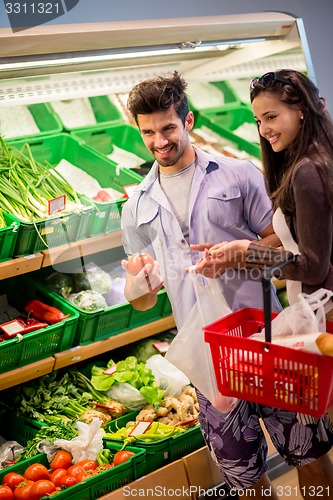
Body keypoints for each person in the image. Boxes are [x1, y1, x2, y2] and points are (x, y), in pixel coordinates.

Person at [119, 70, 330, 499]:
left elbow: (279, 238)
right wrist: (138, 283)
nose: (160, 141)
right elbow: (144, 302)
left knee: (309, 454)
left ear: (188, 121)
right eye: (148, 133)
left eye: (168, 128)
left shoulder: (237, 174)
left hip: (269, 338)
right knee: (243, 476)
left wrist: (242, 252)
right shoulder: (136, 204)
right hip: (207, 359)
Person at [191, 70, 333, 499]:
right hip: (316, 315)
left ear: (301, 110)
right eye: (257, 120)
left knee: (314, 446)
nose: (264, 129)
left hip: (324, 315)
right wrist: (246, 245)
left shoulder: (309, 171)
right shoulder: (313, 160)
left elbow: (313, 266)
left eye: (272, 116)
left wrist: (247, 254)